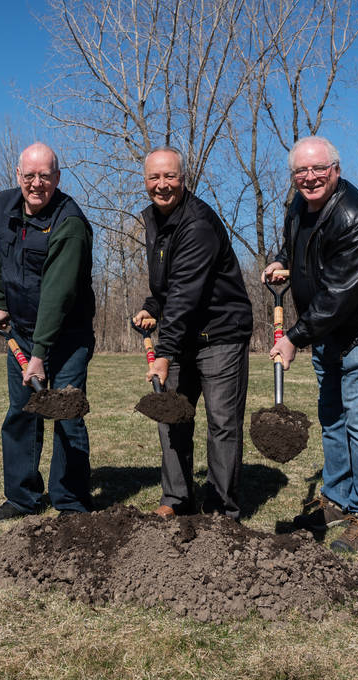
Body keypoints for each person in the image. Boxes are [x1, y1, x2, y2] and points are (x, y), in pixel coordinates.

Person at [262, 135, 358, 552]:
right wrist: (282, 260)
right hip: (328, 330)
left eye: (318, 169)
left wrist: (293, 338)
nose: (310, 178)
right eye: (301, 171)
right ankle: (337, 499)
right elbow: (301, 246)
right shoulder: (299, 206)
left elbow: (339, 297)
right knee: (333, 416)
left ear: (336, 170)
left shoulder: (354, 218)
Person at [132, 148, 253, 519]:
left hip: (220, 332)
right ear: (145, 180)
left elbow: (186, 293)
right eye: (155, 177)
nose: (162, 185)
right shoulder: (155, 219)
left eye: (170, 177)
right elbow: (170, 287)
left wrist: (164, 353)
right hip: (184, 332)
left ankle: (220, 507)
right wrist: (153, 307)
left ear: (184, 179)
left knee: (222, 422)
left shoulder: (197, 223)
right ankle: (176, 499)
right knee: (173, 415)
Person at [0, 142, 95, 521]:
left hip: (66, 334)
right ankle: (21, 497)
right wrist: (2, 304)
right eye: (29, 175)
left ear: (57, 179)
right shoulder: (3, 205)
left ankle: (71, 502)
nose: (36, 183)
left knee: (66, 412)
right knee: (21, 412)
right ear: (18, 176)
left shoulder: (70, 224)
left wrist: (40, 355)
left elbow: (58, 295)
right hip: (24, 329)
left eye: (44, 176)